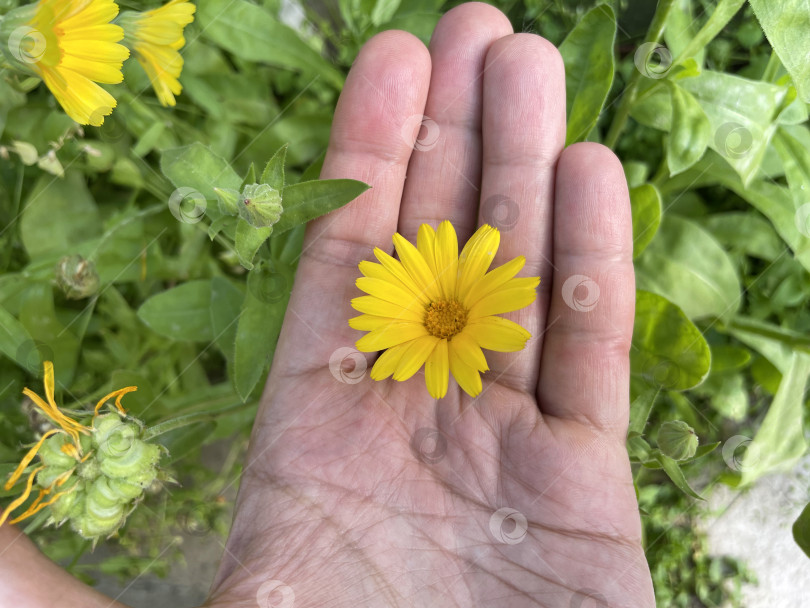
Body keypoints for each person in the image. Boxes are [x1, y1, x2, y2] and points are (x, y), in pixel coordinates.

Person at [0, 3, 655, 606]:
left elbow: (452, 302)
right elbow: (394, 292)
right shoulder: (424, 322)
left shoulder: (466, 326)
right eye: (443, 316)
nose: (444, 318)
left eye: (447, 319)